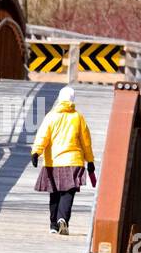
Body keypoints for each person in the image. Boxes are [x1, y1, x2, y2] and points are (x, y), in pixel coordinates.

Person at [31, 86, 96, 235]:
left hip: (53, 162)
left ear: (60, 99)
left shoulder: (51, 116)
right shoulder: (78, 117)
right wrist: (90, 161)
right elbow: (86, 142)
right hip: (73, 162)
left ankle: (53, 225)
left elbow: (43, 136)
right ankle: (63, 219)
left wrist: (36, 152)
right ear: (72, 100)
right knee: (68, 193)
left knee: (53, 193)